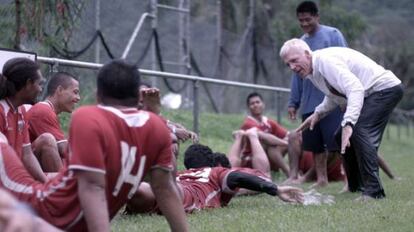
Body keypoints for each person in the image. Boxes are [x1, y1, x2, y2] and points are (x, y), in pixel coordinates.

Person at [0, 59, 188, 231]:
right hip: (43, 208)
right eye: (75, 92)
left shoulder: (89, 117)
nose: (78, 98)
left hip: (48, 209)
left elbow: (93, 186)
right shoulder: (158, 127)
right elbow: (166, 188)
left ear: (99, 95)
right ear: (136, 95)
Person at [280, 38, 403, 200]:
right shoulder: (313, 71)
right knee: (339, 137)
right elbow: (334, 95)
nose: (292, 67)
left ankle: (374, 192)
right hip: (371, 93)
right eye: (288, 64)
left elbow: (355, 88)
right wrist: (318, 113)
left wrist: (349, 122)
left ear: (307, 54)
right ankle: (355, 186)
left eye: (294, 61)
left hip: (384, 89)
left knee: (360, 131)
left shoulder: (325, 62)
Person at [125, 142, 304, 214]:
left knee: (144, 190)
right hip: (186, 193)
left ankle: (129, 175)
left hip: (172, 185)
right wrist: (276, 189)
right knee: (168, 190)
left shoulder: (183, 173)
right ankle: (162, 150)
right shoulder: (215, 172)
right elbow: (238, 176)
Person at [286, 0, 348, 188]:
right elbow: (296, 76)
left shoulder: (333, 35)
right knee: (315, 144)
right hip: (310, 100)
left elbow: (345, 60)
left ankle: (348, 180)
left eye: (308, 19)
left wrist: (345, 93)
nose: (304, 24)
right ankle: (321, 179)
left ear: (317, 17)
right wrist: (293, 102)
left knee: (338, 142)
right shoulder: (299, 43)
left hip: (332, 98)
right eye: (301, 20)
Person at [0, 57, 61, 183]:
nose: (40, 90)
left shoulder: (21, 111)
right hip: (7, 183)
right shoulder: (2, 112)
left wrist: (46, 184)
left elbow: (27, 154)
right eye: (39, 84)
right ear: (28, 84)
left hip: (16, 177)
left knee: (62, 182)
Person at [26, 72, 80, 161]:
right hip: (21, 168)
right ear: (60, 90)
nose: (78, 98)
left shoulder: (48, 110)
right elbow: (64, 150)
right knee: (48, 140)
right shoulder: (43, 110)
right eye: (75, 92)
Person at [240, 92, 290, 176]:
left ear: (263, 104)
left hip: (266, 157)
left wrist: (291, 139)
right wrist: (286, 142)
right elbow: (265, 138)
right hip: (251, 159)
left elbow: (287, 134)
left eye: (258, 102)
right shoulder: (248, 123)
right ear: (249, 107)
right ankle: (289, 173)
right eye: (252, 103)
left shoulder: (267, 121)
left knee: (293, 139)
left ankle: (296, 171)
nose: (255, 105)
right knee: (270, 145)